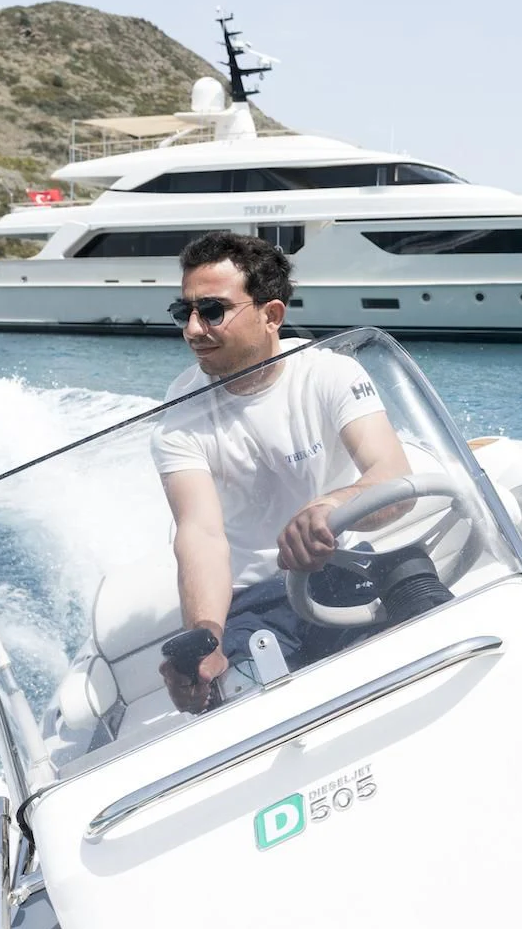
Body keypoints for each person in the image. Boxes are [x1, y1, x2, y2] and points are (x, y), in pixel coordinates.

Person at [152, 231, 451, 714]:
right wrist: (206, 634)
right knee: (244, 707)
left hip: (347, 566)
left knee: (439, 631)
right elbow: (201, 534)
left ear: (271, 315)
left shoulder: (330, 374)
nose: (191, 329)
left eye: (211, 311)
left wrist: (331, 507)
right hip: (254, 600)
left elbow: (390, 474)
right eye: (182, 312)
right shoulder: (178, 418)